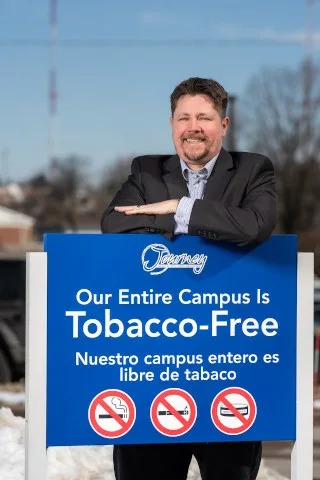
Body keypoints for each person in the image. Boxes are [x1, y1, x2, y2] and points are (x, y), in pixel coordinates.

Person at [101, 77, 278, 480]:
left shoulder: (253, 170)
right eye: (184, 117)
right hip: (153, 374)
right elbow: (113, 224)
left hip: (226, 374)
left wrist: (176, 210)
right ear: (171, 124)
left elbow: (255, 225)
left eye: (204, 117)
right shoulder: (146, 170)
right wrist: (201, 220)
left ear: (225, 125)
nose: (193, 126)